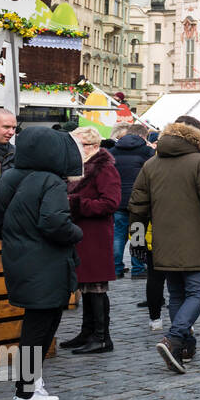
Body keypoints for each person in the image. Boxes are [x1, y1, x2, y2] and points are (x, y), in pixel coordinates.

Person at [0, 128, 83, 400]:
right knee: (40, 326)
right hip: (47, 263)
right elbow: (54, 223)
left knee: (37, 324)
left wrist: (15, 236)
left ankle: (32, 385)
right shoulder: (51, 181)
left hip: (19, 259)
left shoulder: (8, 177)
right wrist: (76, 233)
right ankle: (26, 393)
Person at [128, 116, 200, 373]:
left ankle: (185, 345)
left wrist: (138, 239)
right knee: (197, 294)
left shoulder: (151, 164)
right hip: (198, 242)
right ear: (197, 140)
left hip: (164, 243)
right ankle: (174, 338)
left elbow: (137, 206)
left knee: (177, 294)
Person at [57, 128, 121, 355]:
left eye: (80, 145)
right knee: (86, 286)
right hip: (81, 234)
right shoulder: (80, 168)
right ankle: (87, 332)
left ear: (93, 147)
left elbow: (110, 203)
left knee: (96, 287)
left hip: (96, 236)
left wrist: (75, 203)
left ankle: (102, 338)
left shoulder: (104, 168)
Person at [111, 123, 154, 278]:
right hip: (139, 199)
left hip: (118, 198)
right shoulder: (147, 152)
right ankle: (137, 268)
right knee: (137, 231)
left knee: (118, 234)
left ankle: (116, 268)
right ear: (143, 136)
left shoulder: (113, 151)